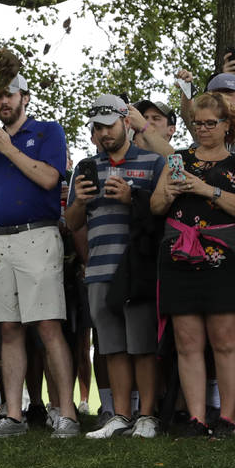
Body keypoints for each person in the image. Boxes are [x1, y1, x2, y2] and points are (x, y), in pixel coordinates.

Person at [0, 69, 80, 440]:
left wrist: (7, 149)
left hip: (39, 235)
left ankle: (66, 413)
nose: (3, 102)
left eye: (10, 95)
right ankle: (13, 415)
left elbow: (51, 179)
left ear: (25, 98)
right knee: (8, 329)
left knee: (48, 325)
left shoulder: (48, 131)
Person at [150, 93, 235, 438]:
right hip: (179, 255)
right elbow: (156, 206)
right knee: (187, 341)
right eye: (197, 123)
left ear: (228, 125)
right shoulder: (177, 160)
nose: (203, 130)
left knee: (225, 341)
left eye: (210, 123)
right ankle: (197, 419)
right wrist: (168, 194)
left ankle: (227, 417)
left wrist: (203, 189)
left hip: (225, 257)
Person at [66, 95, 165, 439]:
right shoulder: (85, 166)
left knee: (142, 345)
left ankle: (147, 416)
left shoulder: (153, 162)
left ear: (126, 121)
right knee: (111, 348)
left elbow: (163, 211)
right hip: (99, 269)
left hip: (137, 268)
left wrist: (131, 197)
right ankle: (121, 415)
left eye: (109, 124)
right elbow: (73, 222)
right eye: (98, 127)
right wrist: (79, 199)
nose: (104, 132)